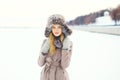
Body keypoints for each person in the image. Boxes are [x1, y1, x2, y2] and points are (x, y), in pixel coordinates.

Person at [37, 14, 73, 80]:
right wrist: (45, 48)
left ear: (63, 28)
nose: (56, 30)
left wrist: (65, 48)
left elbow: (65, 65)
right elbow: (40, 63)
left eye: (59, 27)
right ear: (50, 29)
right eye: (53, 27)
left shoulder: (67, 43)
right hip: (46, 76)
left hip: (60, 77)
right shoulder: (46, 42)